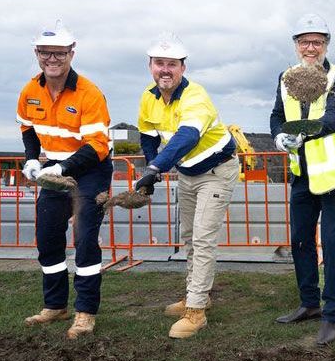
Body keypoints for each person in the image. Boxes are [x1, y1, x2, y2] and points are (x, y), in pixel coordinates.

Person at [136, 33, 239, 339]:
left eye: (171, 64)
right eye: (159, 64)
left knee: (204, 238)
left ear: (182, 67)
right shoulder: (148, 97)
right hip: (187, 173)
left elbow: (187, 137)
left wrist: (155, 168)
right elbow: (148, 136)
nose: (164, 70)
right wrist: (153, 168)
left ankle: (196, 312)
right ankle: (198, 295)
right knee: (190, 237)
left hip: (217, 170)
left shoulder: (196, 95)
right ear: (150, 66)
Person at [17, 20, 113, 339]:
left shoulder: (89, 93)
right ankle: (55, 306)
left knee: (85, 238)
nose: (52, 59)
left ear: (71, 53)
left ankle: (85, 312)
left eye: (59, 53)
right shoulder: (30, 91)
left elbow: (97, 146)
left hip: (90, 168)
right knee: (47, 235)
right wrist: (32, 157)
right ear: (37, 53)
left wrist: (61, 169)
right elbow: (27, 127)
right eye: (46, 53)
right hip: (55, 166)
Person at [270, 13, 335, 345]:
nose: (310, 47)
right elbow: (278, 115)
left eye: (317, 41)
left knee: (332, 245)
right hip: (301, 175)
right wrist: (280, 137)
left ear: (326, 45)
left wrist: (299, 135)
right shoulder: (285, 77)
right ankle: (309, 303)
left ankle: (331, 314)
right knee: (300, 242)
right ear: (296, 45)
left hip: (334, 177)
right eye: (304, 41)